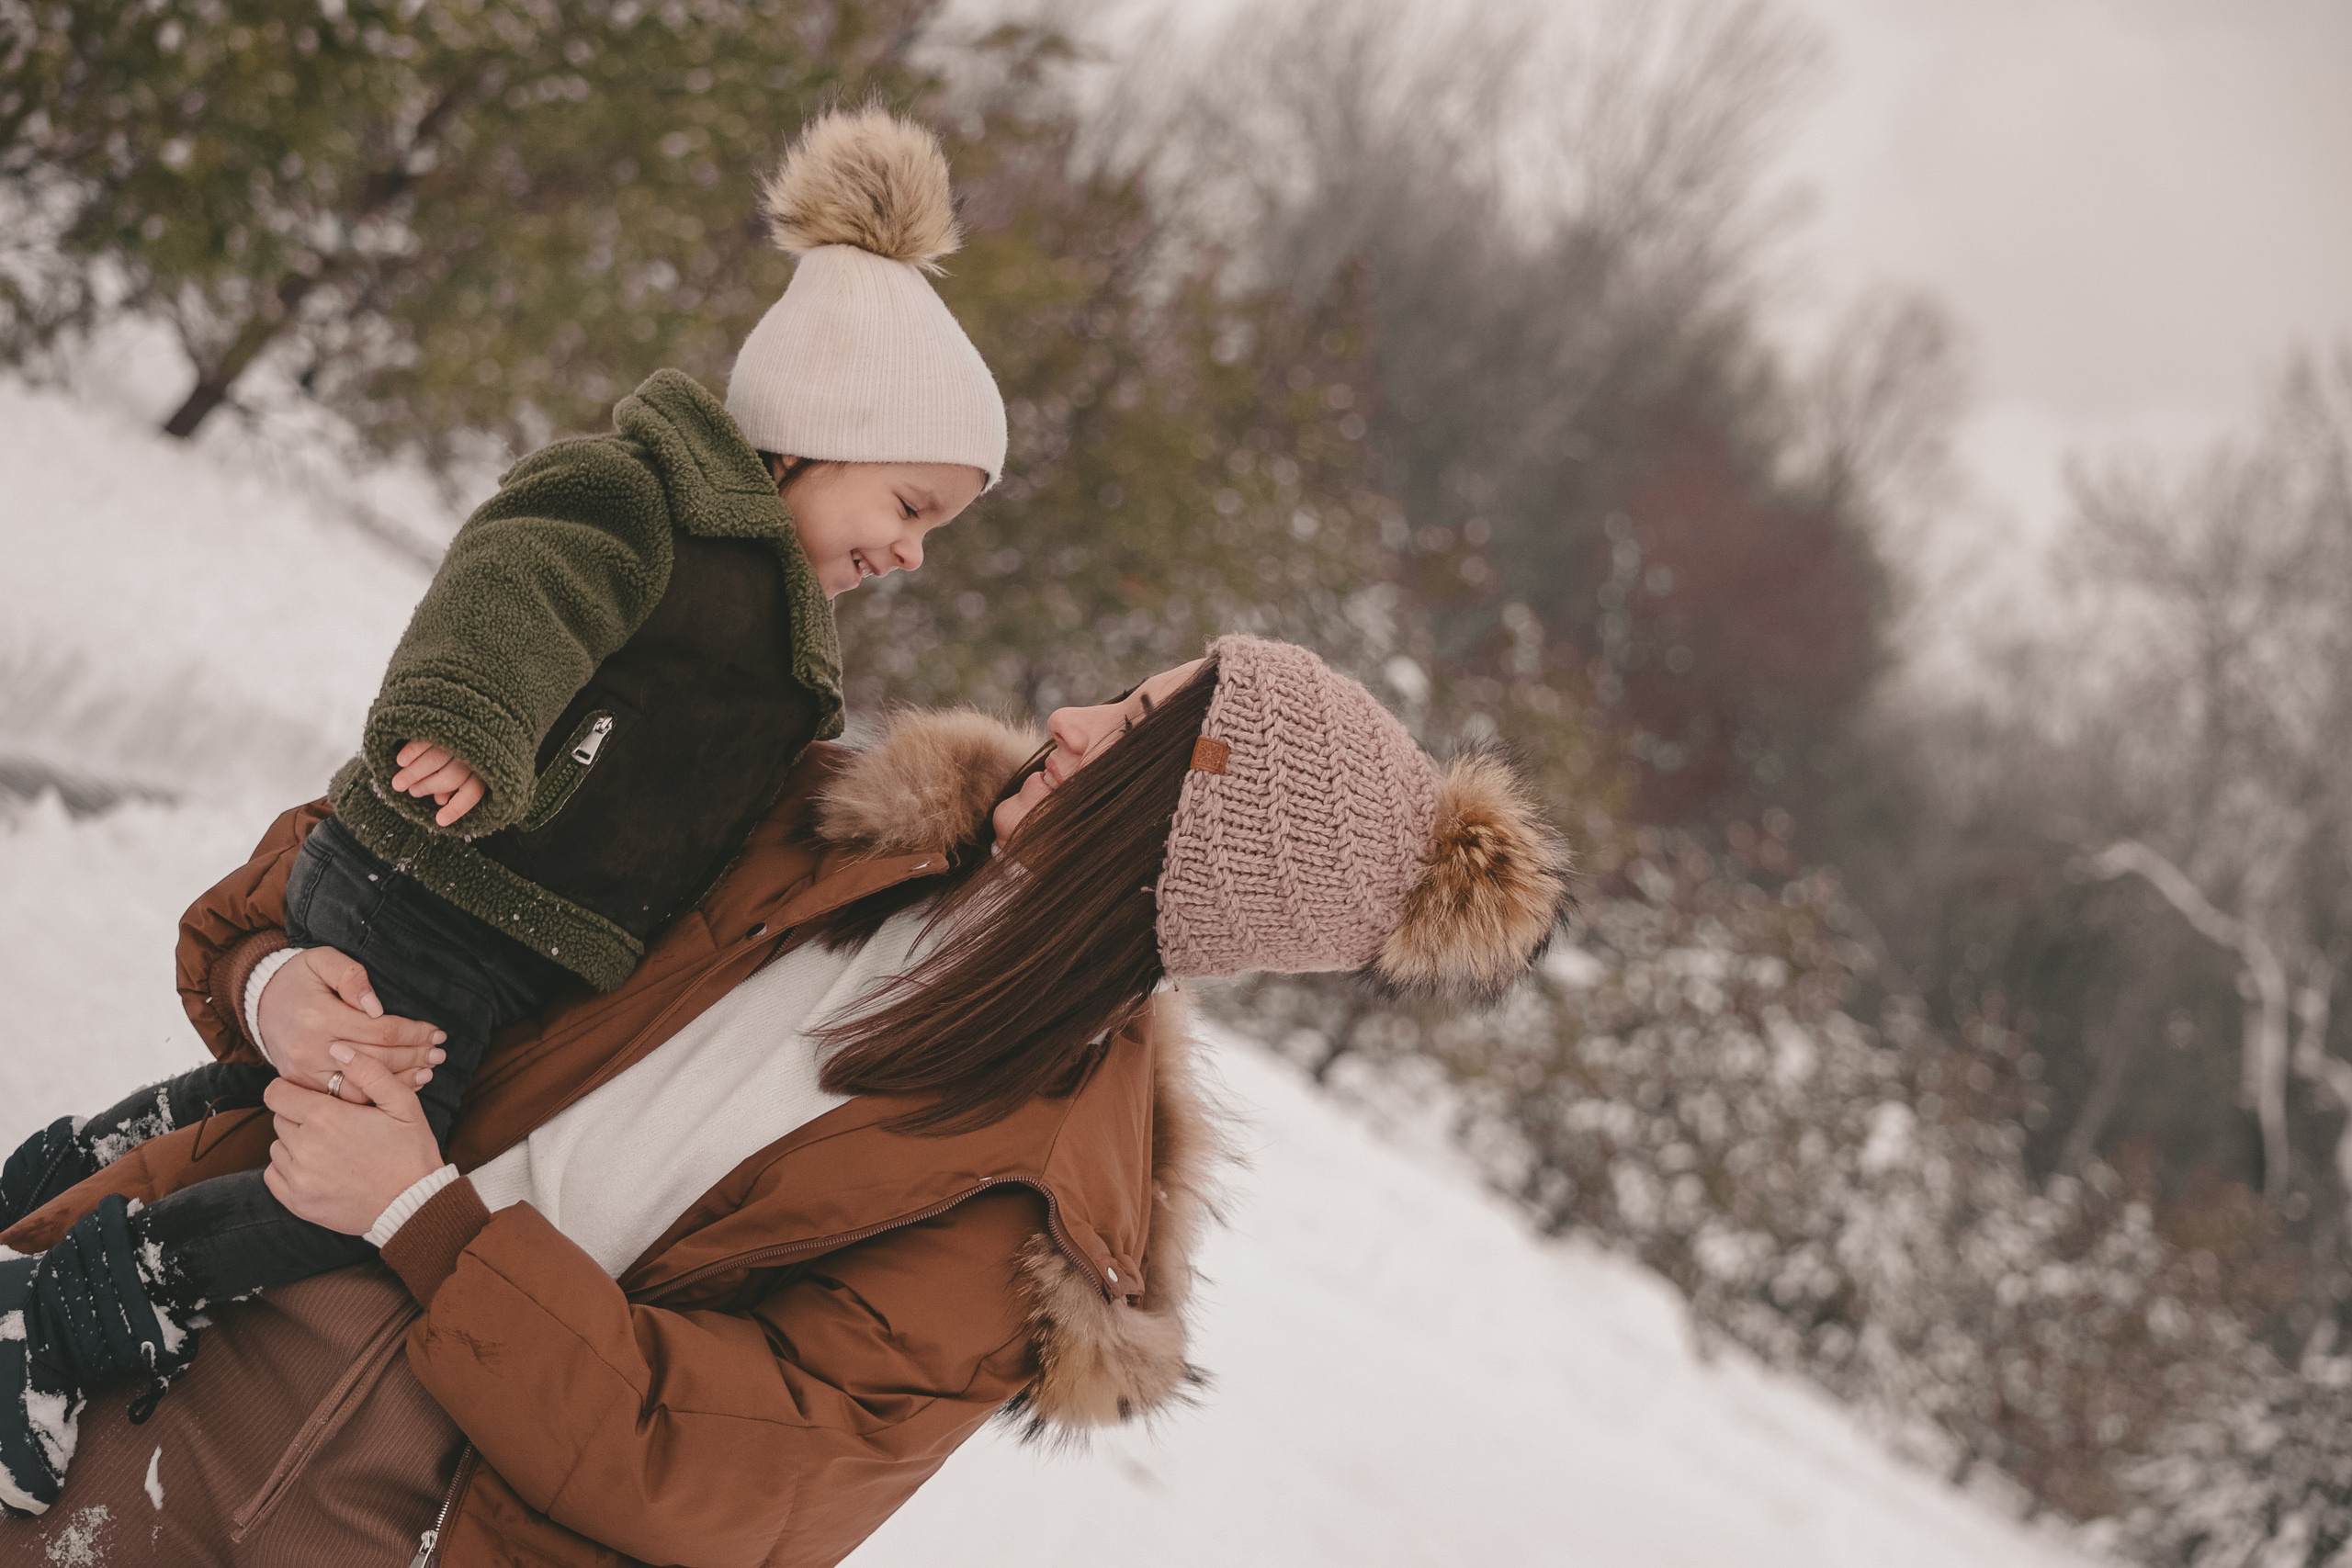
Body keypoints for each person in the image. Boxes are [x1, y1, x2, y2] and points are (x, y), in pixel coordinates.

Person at [0, 636, 1570, 1566]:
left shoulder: (1029, 1213)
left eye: (1143, 734)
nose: (1077, 719)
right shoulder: (801, 811)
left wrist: (423, 1216)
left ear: (1186, 857)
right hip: (144, 1318)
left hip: (381, 1519)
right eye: (1123, 693)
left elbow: (720, 1478)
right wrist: (273, 974)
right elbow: (399, 857)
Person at [0, 104, 1012, 1517]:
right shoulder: (651, 502)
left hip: (482, 924)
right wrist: (472, 722)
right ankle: (61, 1320)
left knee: (302, 1117)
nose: (910, 552)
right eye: (907, 505)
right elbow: (517, 580)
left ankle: (84, 1162)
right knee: (344, 1203)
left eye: (934, 531)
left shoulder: (772, 617)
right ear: (813, 435)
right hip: (438, 885)